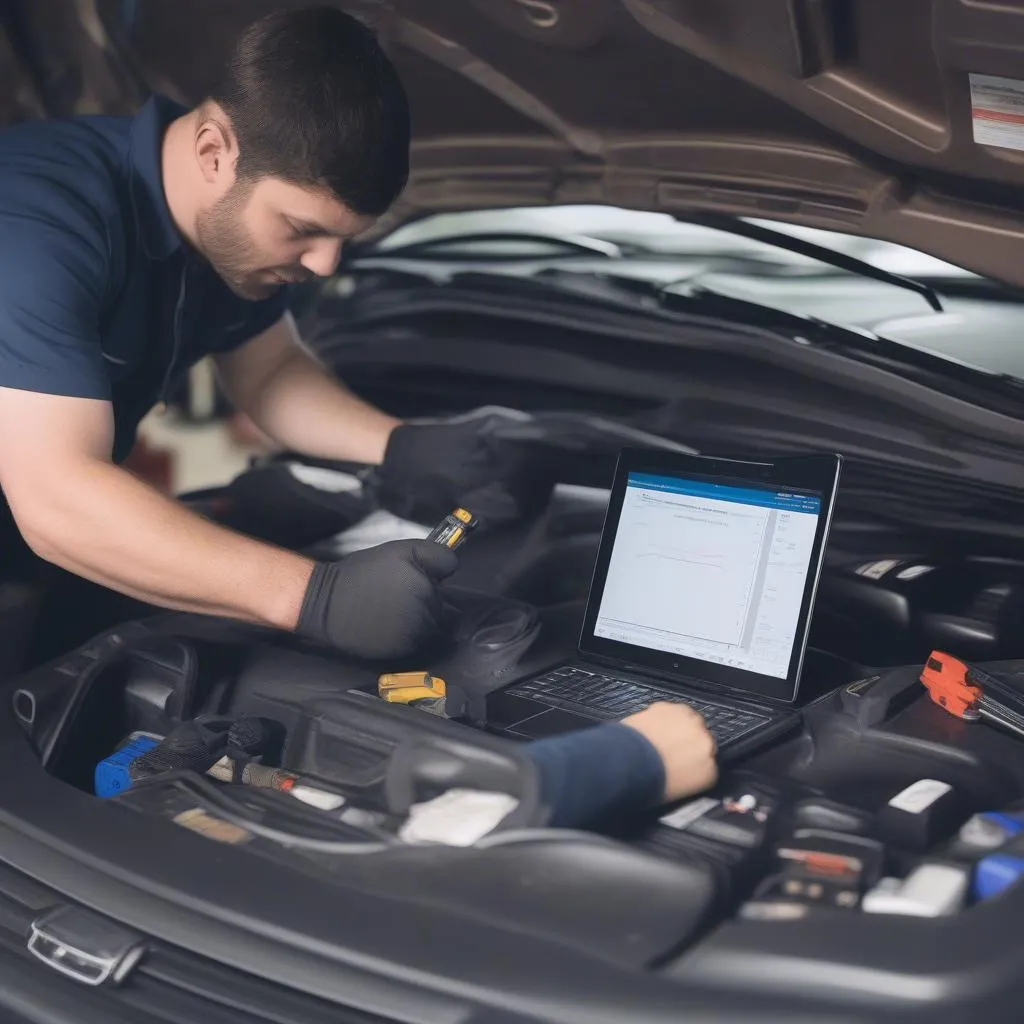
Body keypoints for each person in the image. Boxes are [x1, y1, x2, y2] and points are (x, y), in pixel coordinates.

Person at [0, 6, 547, 666]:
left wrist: (397, 445)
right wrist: (313, 597)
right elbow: (56, 498)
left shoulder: (215, 230)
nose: (323, 265)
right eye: (301, 229)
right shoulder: (38, 226)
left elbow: (270, 370)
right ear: (212, 152)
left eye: (343, 239)